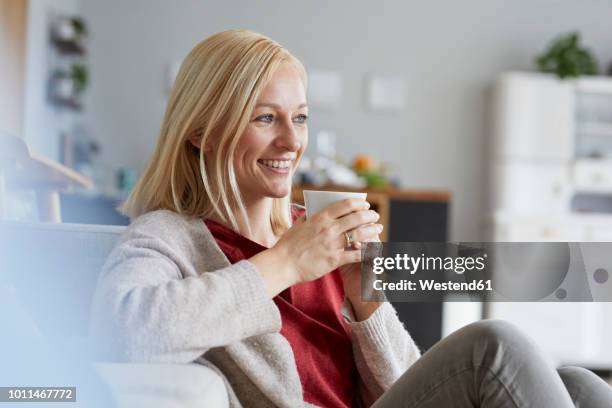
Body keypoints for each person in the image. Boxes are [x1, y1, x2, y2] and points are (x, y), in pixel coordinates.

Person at [90, 29, 612, 408]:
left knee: (581, 384)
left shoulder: (311, 227)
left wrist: (367, 306)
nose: (292, 142)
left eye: (299, 118)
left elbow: (405, 386)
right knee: (493, 347)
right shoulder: (169, 236)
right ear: (201, 131)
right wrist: (285, 265)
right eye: (265, 117)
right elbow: (124, 331)